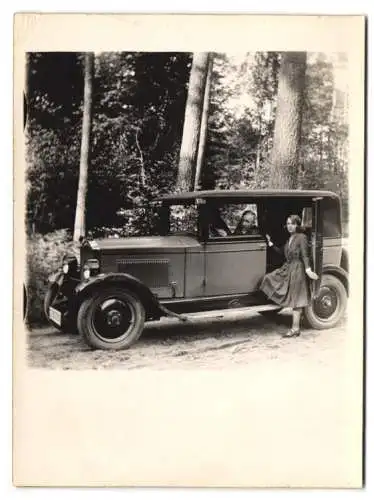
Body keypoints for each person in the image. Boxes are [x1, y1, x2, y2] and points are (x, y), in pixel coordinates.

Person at [260, 214, 319, 338]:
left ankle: (295, 329)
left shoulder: (301, 237)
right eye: (288, 224)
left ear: (297, 225)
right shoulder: (289, 239)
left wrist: (308, 270)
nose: (290, 226)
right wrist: (270, 243)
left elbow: (305, 255)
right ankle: (293, 324)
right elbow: (282, 252)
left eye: (292, 223)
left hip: (298, 269)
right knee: (269, 278)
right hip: (288, 267)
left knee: (296, 299)